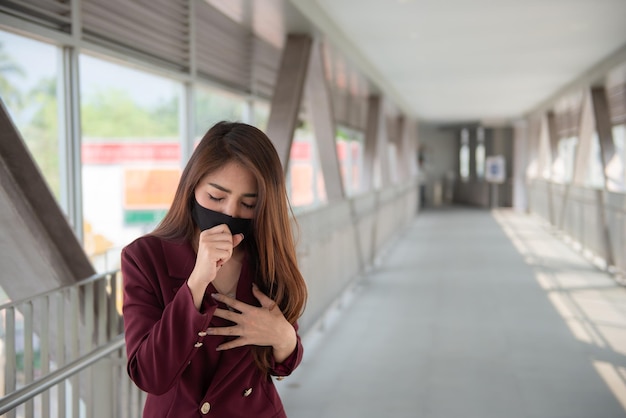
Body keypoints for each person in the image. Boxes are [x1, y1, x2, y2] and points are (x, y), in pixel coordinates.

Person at [121, 121, 308, 417]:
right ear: (192, 185)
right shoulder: (145, 257)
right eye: (216, 197)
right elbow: (149, 375)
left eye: (248, 204)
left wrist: (284, 337)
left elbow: (282, 364)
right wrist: (197, 281)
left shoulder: (267, 256)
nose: (230, 213)